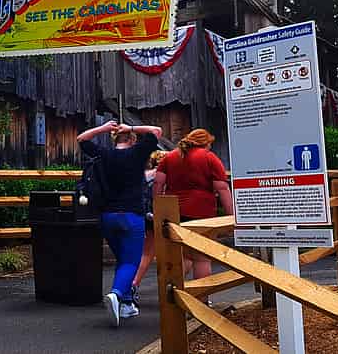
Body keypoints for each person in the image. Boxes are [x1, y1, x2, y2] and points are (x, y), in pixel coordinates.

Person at [77, 120, 162, 327]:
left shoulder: (103, 154)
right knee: (131, 262)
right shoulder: (138, 153)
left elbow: (81, 139)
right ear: (132, 139)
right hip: (131, 215)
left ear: (114, 138)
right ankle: (116, 294)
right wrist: (131, 127)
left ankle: (126, 304)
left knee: (123, 259)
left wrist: (104, 128)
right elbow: (156, 130)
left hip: (107, 216)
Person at [154, 129, 233, 286]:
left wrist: (157, 208)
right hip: (201, 213)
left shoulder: (169, 157)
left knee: (182, 256)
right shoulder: (209, 157)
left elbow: (158, 183)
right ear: (205, 143)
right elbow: (222, 188)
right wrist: (231, 216)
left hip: (174, 213)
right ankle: (201, 296)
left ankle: (173, 292)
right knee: (201, 258)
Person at [130, 150, 167, 305]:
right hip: (162, 214)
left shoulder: (144, 175)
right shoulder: (164, 175)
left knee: (146, 252)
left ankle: (133, 283)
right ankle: (169, 287)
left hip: (145, 215)